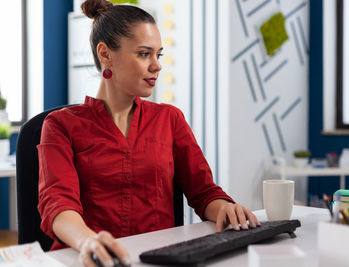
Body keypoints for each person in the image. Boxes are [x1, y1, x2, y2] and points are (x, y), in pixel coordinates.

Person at [37, 0, 260, 266]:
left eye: (159, 54)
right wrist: (88, 241)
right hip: (90, 260)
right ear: (105, 54)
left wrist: (224, 207)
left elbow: (204, 192)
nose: (157, 66)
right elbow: (58, 204)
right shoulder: (60, 125)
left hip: (158, 260)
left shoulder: (170, 119)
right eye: (144, 54)